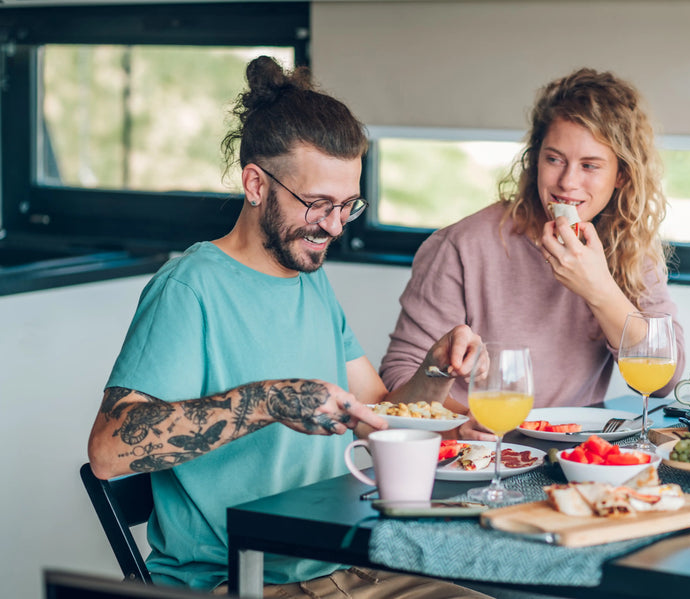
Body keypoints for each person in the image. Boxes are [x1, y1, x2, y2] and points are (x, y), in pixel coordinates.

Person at [87, 56, 488, 598]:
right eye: (318, 204)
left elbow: (377, 416)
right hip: (241, 580)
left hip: (345, 562)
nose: (335, 226)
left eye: (348, 205)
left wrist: (436, 371)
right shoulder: (190, 289)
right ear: (256, 183)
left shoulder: (308, 280)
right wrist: (267, 401)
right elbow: (108, 450)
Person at [379, 68, 685, 440]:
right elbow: (398, 378)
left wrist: (598, 289)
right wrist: (463, 424)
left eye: (590, 166)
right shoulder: (461, 246)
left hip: (572, 453)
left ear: (621, 175)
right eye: (554, 159)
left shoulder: (630, 246)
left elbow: (666, 380)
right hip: (481, 451)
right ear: (534, 159)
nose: (567, 182)